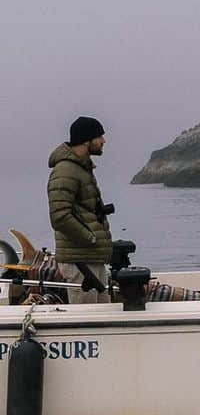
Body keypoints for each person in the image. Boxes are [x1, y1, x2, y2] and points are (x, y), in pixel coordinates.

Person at [47, 116, 114, 302]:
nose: (104, 141)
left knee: (103, 316)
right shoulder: (66, 171)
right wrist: (90, 238)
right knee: (86, 323)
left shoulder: (81, 168)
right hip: (80, 261)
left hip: (91, 258)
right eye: (99, 136)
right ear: (86, 140)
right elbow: (59, 216)